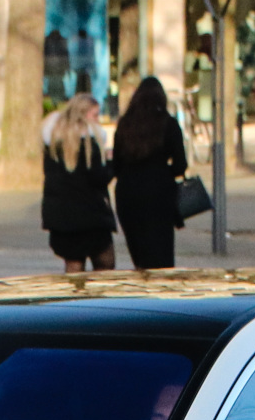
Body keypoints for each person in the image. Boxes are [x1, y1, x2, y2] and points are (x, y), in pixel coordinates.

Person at [111, 77, 187, 270]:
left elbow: (116, 164)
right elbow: (180, 165)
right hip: (159, 193)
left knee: (139, 252)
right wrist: (164, 171)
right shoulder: (168, 124)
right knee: (160, 253)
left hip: (128, 192)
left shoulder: (125, 125)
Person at [39, 94, 117, 273]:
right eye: (95, 115)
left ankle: (74, 299)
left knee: (73, 264)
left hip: (62, 217)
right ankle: (100, 300)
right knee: (105, 262)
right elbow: (99, 178)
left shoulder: (53, 141)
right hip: (90, 216)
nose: (98, 120)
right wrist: (112, 164)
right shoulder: (89, 143)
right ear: (83, 115)